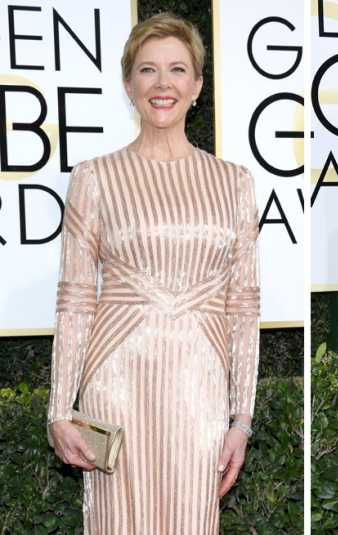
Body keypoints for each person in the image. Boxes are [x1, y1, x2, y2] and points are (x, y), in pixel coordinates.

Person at [46, 13, 260, 533]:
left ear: (198, 86)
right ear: (128, 84)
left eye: (177, 70)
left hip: (199, 389)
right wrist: (58, 410)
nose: (162, 84)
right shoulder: (95, 178)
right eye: (147, 70)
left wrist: (241, 421)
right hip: (115, 386)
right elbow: (76, 300)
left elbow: (244, 306)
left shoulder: (234, 183)